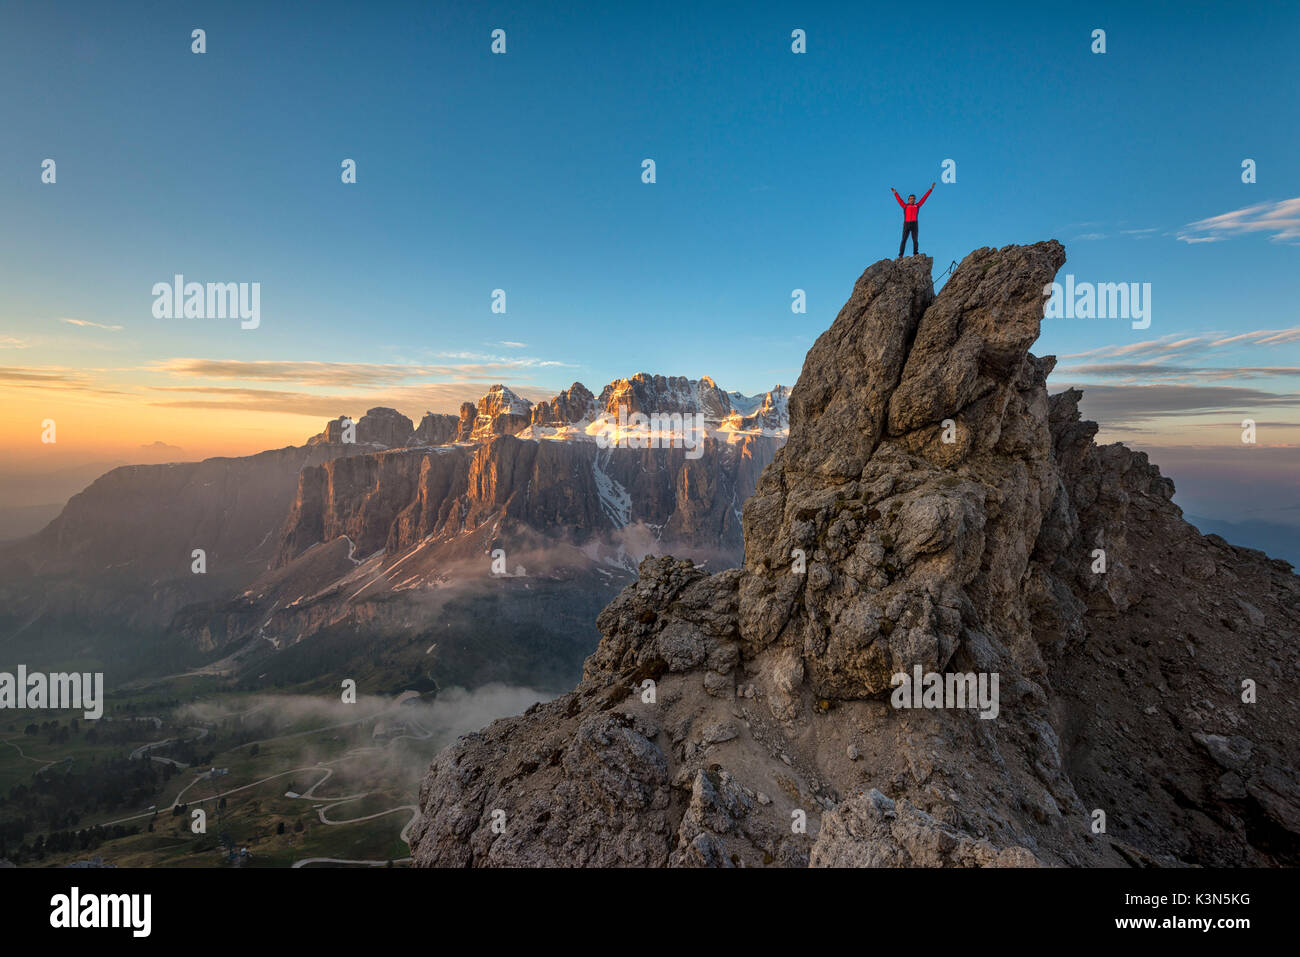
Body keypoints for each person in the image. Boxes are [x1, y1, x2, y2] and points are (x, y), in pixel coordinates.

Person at [892, 183, 934, 257]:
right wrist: (895, 193)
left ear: (915, 200)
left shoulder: (917, 205)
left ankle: (915, 253)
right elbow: (899, 199)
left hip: (914, 224)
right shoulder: (904, 206)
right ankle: (900, 255)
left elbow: (924, 198)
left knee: (915, 240)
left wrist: (930, 189)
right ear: (908, 200)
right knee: (903, 240)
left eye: (913, 199)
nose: (912, 200)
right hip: (906, 224)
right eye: (911, 198)